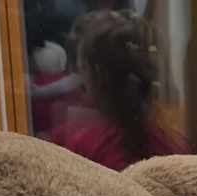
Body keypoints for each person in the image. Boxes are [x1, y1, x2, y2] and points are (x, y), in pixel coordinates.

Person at [43, 10, 186, 170]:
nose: (81, 78)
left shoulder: (83, 147)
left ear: (96, 74)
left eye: (83, 69)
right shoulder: (172, 142)